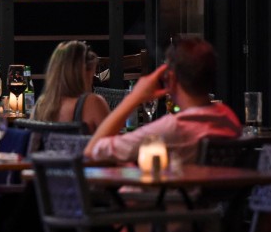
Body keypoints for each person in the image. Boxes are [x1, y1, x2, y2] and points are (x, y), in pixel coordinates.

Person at [86, 35, 240, 164]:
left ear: (170, 77)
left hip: (149, 199)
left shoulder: (171, 129)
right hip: (208, 198)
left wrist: (133, 98)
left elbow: (92, 151)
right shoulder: (229, 118)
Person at [30, 40, 109, 133]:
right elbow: (113, 143)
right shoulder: (92, 103)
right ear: (84, 73)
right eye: (93, 74)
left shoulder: (40, 105)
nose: (93, 79)